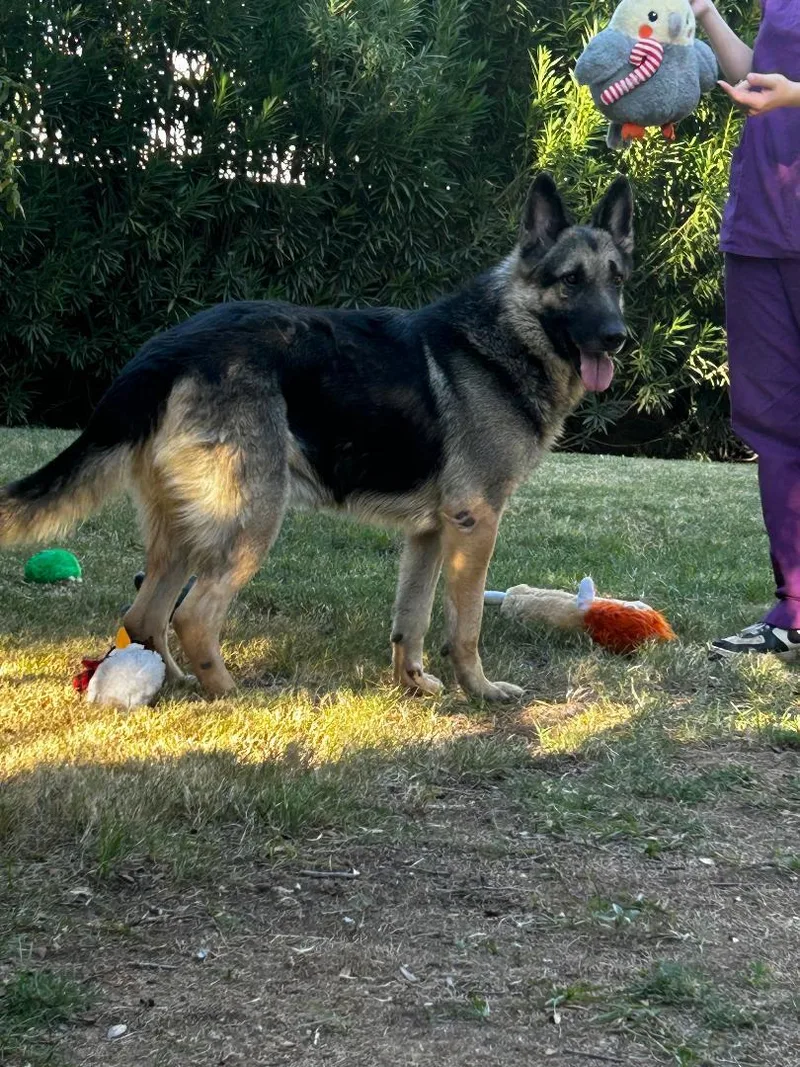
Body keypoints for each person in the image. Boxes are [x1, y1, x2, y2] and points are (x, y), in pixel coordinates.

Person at [692, 0, 800, 659]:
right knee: (773, 424)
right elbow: (760, 74)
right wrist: (706, 12)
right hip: (761, 229)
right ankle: (793, 609)